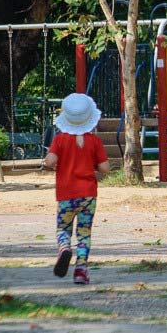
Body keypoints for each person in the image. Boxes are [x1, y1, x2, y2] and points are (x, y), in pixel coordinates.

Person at [43, 93, 110, 285]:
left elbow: (50, 161)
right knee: (84, 232)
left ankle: (64, 248)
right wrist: (95, 165)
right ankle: (81, 269)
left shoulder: (59, 140)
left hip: (66, 195)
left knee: (63, 228)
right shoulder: (94, 141)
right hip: (88, 195)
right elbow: (105, 168)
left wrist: (50, 162)